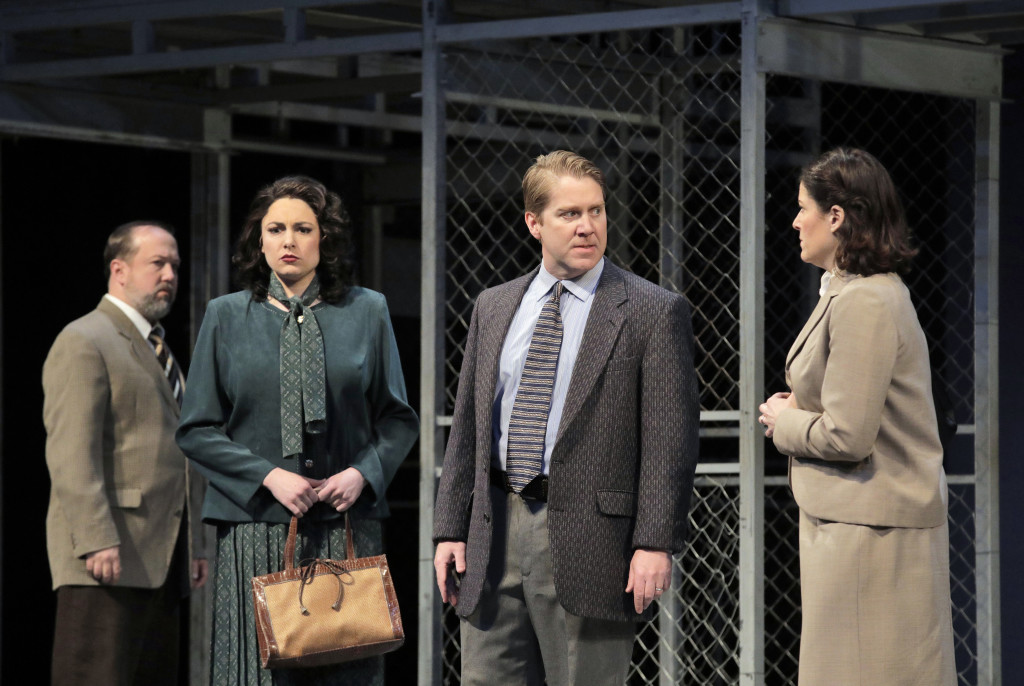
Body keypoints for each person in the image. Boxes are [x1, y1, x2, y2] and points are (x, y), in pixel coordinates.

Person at [433, 150, 700, 686]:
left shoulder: (649, 309)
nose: (587, 227)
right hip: (495, 528)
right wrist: (449, 528)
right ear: (534, 222)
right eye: (570, 214)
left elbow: (670, 439)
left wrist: (654, 541)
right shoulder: (495, 304)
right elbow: (468, 428)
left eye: (596, 212)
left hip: (590, 538)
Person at [176, 175, 418, 686]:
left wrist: (362, 473)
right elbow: (196, 429)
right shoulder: (225, 317)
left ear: (323, 239)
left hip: (346, 524)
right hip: (256, 526)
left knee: (347, 667)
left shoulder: (366, 310)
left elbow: (398, 418)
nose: (289, 240)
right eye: (276, 229)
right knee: (255, 670)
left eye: (303, 229)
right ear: (259, 241)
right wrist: (268, 476)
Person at [758, 148, 956, 685]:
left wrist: (784, 422)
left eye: (804, 208)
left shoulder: (866, 301)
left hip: (874, 537)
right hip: (856, 526)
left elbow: (848, 434)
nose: (796, 221)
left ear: (837, 217)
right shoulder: (848, 293)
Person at [43, 221, 208, 686]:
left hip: (160, 555)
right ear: (119, 269)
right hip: (107, 554)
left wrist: (194, 545)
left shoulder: (156, 346)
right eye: (157, 263)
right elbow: (71, 451)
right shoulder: (85, 339)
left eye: (174, 264)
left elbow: (176, 452)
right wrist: (95, 537)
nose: (170, 274)